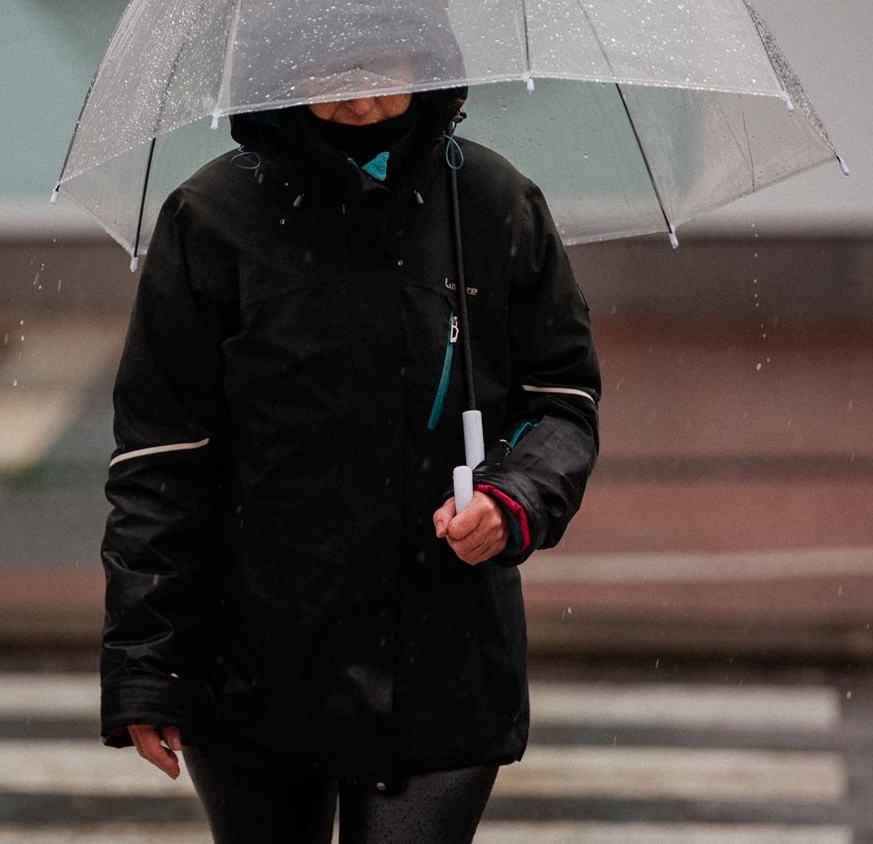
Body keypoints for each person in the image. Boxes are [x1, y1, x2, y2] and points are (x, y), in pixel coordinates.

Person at [98, 69, 600, 843]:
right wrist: (147, 667)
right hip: (256, 668)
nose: (360, 102)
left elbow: (561, 400)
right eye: (330, 74)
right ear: (280, 63)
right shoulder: (212, 219)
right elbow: (161, 462)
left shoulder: (494, 204)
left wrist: (515, 499)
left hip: (445, 665)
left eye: (383, 70)